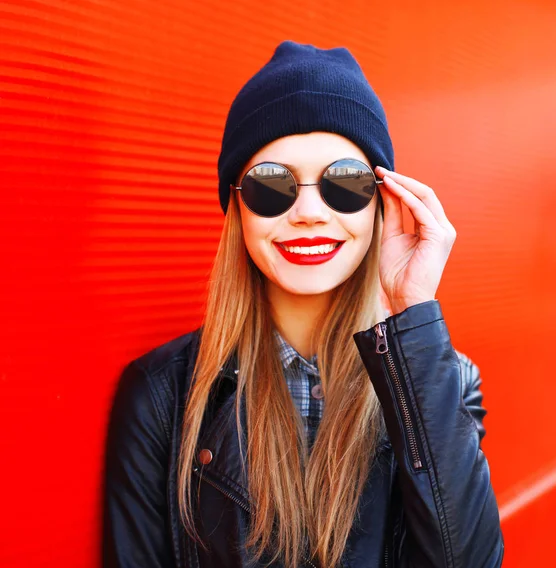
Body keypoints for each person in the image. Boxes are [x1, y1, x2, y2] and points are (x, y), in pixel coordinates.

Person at [103, 40, 504, 568]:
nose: (310, 212)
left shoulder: (442, 379)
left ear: (382, 205)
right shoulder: (161, 395)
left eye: (345, 182)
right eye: (273, 185)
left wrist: (414, 316)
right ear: (237, 210)